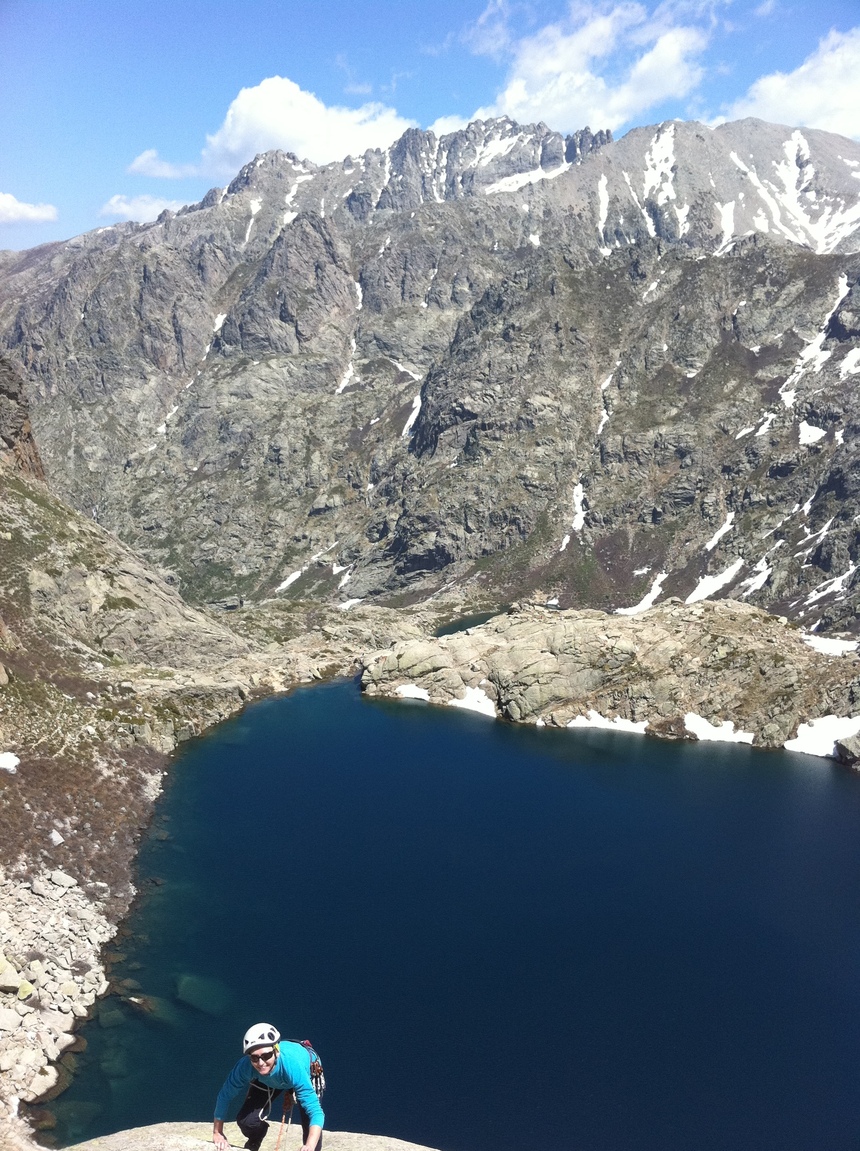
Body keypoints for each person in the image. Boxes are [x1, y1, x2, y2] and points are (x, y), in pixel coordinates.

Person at [213, 1023, 324, 1151]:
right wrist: (217, 1132)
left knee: (309, 1128)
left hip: (306, 1069)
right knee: (246, 1121)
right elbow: (225, 1095)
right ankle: (256, 1139)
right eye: (254, 1058)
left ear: (276, 1051)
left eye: (266, 1056)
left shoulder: (293, 1066)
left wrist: (309, 1146)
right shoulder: (246, 1067)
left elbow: (316, 1113)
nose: (261, 1063)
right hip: (274, 1076)